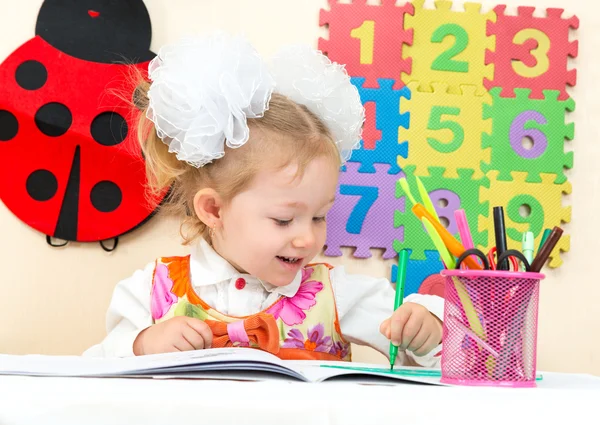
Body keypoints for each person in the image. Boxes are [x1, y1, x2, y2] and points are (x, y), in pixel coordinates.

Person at [84, 32, 444, 367]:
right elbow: (93, 367)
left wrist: (425, 330)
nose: (308, 238)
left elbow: (429, 353)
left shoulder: (335, 293)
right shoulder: (151, 289)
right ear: (213, 209)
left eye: (319, 217)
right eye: (284, 220)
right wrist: (143, 345)